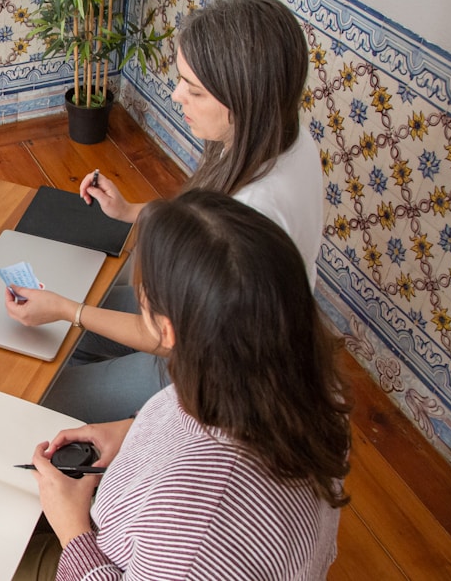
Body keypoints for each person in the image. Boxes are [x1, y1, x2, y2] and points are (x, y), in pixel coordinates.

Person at [6, 0, 323, 421]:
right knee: (64, 339)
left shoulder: (258, 210)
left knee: (36, 398)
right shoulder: (289, 138)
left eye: (193, 89)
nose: (176, 96)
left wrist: (69, 310)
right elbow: (206, 225)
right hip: (202, 329)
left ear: (244, 99)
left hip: (210, 377)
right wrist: (132, 210)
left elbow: (166, 337)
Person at [25, 190, 351, 580]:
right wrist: (133, 431)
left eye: (144, 295)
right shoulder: (296, 375)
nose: (140, 299)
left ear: (167, 330)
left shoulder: (194, 524)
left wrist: (72, 531)